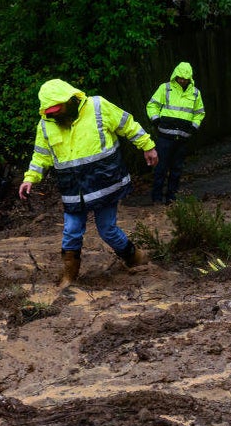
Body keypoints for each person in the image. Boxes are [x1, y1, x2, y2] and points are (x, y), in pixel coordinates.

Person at [18, 79, 158, 288]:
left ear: (71, 100)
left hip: (104, 183)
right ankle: (69, 276)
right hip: (73, 189)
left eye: (58, 109)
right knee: (72, 229)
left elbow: (127, 124)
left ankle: (135, 258)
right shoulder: (46, 124)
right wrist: (30, 178)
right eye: (51, 112)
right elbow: (41, 156)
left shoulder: (98, 106)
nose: (55, 115)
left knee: (107, 229)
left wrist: (147, 146)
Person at [146, 62, 206, 205]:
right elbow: (152, 104)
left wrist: (193, 128)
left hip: (183, 138)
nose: (182, 81)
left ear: (189, 78)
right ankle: (157, 200)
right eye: (180, 78)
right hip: (165, 137)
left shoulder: (195, 93)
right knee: (160, 168)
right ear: (175, 76)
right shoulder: (165, 88)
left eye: (185, 78)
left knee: (176, 170)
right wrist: (156, 120)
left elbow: (200, 113)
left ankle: (171, 200)